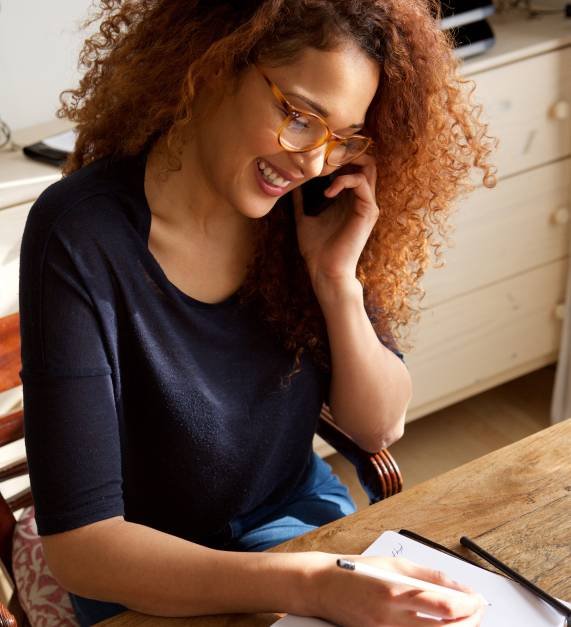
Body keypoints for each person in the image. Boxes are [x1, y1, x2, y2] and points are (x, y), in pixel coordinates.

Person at [19, 0, 496, 625]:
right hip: (151, 572)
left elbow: (377, 428)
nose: (315, 161)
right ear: (214, 65)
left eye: (343, 137)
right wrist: (306, 585)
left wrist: (336, 281)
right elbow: (84, 548)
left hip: (296, 526)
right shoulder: (80, 234)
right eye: (301, 116)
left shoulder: (304, 213)